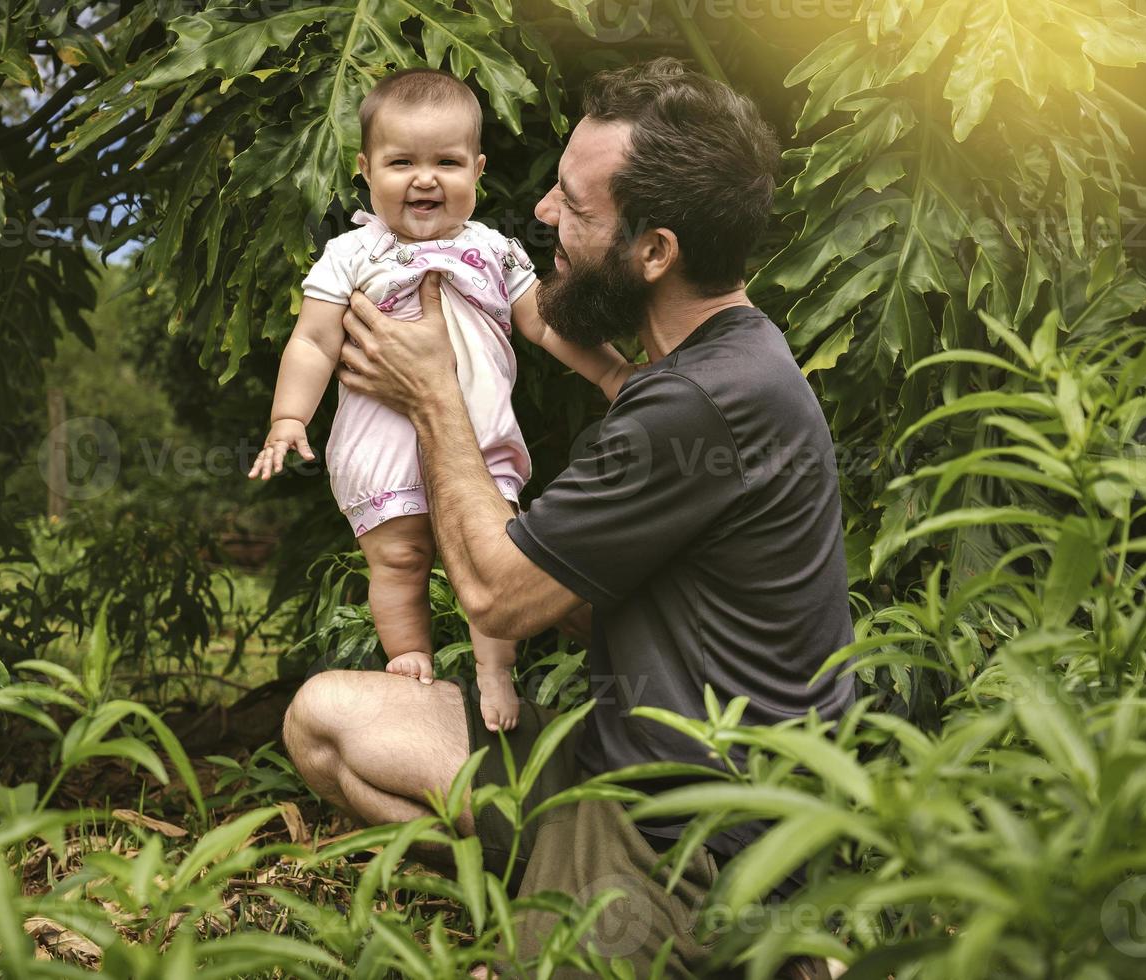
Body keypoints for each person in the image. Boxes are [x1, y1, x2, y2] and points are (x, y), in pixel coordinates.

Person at [281, 57, 853, 977]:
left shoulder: (701, 402)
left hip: (694, 819)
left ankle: (742, 945)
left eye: (575, 207)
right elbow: (578, 599)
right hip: (612, 745)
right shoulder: (699, 368)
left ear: (654, 251)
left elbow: (500, 601)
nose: (542, 213)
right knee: (326, 721)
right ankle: (563, 884)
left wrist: (435, 399)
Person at [249, 68, 633, 734]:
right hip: (384, 446)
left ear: (478, 171)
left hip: (476, 440)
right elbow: (312, 342)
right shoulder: (350, 255)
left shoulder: (493, 251)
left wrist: (611, 373)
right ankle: (411, 661)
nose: (425, 178)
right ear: (365, 170)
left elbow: (543, 321)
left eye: (447, 162)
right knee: (398, 561)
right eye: (402, 162)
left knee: (496, 554)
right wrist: (289, 418)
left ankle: (493, 670)